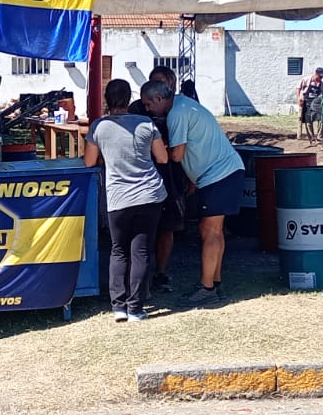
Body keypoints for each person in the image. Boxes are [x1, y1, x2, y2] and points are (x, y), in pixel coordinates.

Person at [138, 78, 244, 307]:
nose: (147, 109)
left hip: (220, 174)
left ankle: (207, 289)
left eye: (148, 104)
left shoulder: (177, 114)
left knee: (209, 229)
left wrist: (155, 147)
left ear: (159, 98)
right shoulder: (184, 104)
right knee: (213, 230)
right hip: (221, 173)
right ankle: (214, 283)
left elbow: (176, 155)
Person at [84, 79, 168, 322]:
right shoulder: (145, 123)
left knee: (118, 250)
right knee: (140, 251)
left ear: (106, 100)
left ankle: (118, 306)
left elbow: (89, 162)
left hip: (118, 197)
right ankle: (136, 308)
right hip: (149, 194)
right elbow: (162, 158)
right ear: (130, 98)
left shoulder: (99, 127)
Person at [128, 65, 187, 292]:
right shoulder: (137, 108)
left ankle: (161, 273)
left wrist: (190, 179)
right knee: (141, 230)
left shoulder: (180, 109)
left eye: (162, 83)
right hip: (142, 177)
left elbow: (186, 146)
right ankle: (139, 278)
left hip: (171, 176)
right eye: (154, 82)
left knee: (167, 228)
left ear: (171, 86)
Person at [298, 67, 323, 141]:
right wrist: (299, 98)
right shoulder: (306, 79)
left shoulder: (322, 85)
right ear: (316, 74)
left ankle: (319, 137)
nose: (321, 78)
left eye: (322, 77)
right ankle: (311, 138)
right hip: (307, 102)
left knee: (321, 120)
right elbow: (298, 88)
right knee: (308, 121)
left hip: (316, 103)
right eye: (320, 76)